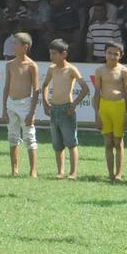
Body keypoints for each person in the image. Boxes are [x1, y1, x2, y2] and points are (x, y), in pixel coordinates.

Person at [40, 38, 89, 180]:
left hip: (67, 108)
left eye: (54, 53)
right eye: (50, 53)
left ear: (64, 54)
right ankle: (60, 171)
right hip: (54, 108)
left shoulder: (71, 69)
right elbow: (44, 85)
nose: (52, 57)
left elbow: (85, 89)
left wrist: (74, 104)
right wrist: (45, 102)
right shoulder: (51, 69)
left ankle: (73, 172)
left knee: (71, 142)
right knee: (57, 143)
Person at [1, 31, 39, 178]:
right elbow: (6, 86)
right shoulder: (9, 64)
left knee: (30, 137)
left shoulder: (31, 66)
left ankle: (33, 170)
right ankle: (14, 169)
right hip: (11, 103)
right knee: (12, 136)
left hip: (25, 104)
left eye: (16, 44)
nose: (13, 46)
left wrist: (32, 112)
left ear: (25, 46)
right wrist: (4, 108)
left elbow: (36, 89)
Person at [92, 41, 127, 182]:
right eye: (109, 53)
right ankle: (110, 173)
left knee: (118, 141)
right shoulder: (100, 70)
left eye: (116, 54)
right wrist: (97, 114)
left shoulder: (123, 71)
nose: (112, 56)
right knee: (108, 142)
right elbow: (97, 93)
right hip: (105, 107)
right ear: (105, 53)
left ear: (120, 55)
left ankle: (119, 173)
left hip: (119, 107)